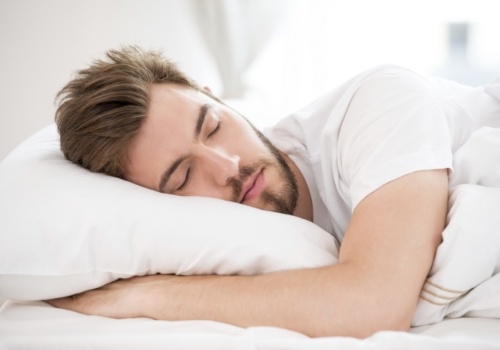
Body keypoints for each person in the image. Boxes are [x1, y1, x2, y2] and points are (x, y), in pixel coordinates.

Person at [47, 46, 500, 338]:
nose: (227, 167)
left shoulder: (377, 103)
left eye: (214, 126)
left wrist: (144, 296)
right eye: (183, 177)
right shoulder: (210, 250)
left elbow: (375, 303)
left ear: (221, 100)